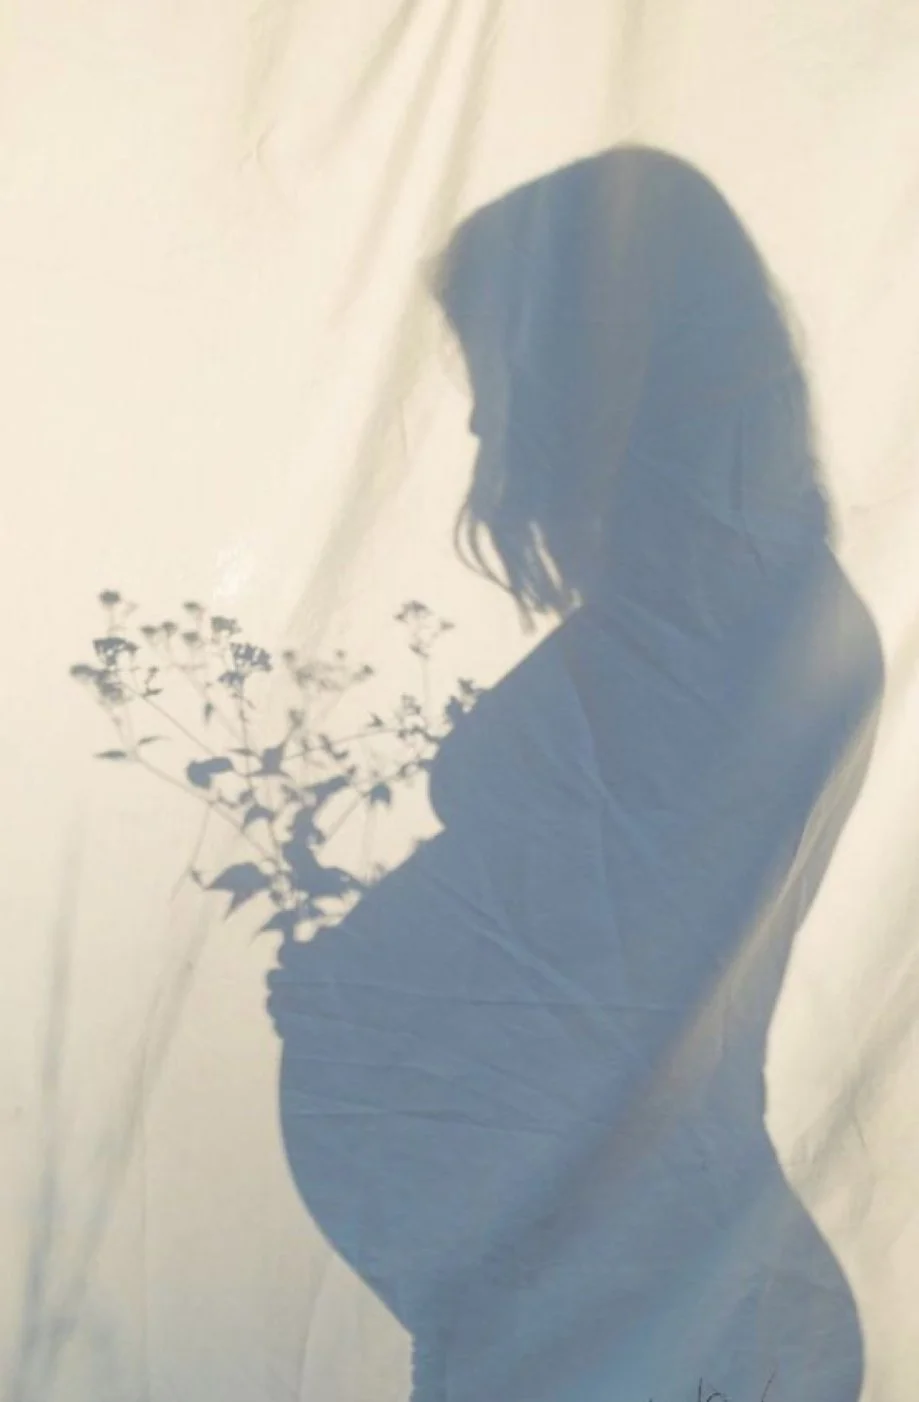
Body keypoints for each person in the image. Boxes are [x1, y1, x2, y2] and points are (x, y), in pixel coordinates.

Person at [268, 147, 882, 1400]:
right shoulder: (722, 617)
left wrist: (379, 992)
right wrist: (370, 985)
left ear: (598, 368)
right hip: (605, 1295)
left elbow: (628, 976)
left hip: (638, 1307)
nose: (480, 423)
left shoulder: (731, 636)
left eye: (495, 376)